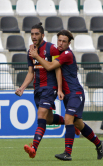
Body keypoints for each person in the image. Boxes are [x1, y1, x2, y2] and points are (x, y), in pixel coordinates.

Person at [29, 30, 103, 161]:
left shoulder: (66, 54)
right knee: (79, 124)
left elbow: (50, 66)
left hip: (75, 93)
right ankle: (99, 144)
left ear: (69, 43)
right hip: (67, 95)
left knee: (69, 119)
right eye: (59, 40)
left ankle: (67, 153)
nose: (61, 43)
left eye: (64, 41)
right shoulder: (57, 53)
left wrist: (36, 56)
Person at [15, 23, 65, 158]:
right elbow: (31, 72)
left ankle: (34, 148)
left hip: (50, 88)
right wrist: (22, 88)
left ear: (43, 35)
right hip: (37, 89)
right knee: (47, 119)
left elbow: (57, 68)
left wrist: (59, 89)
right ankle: (70, 122)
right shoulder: (30, 51)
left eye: (37, 34)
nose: (34, 36)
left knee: (41, 114)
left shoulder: (51, 48)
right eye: (32, 34)